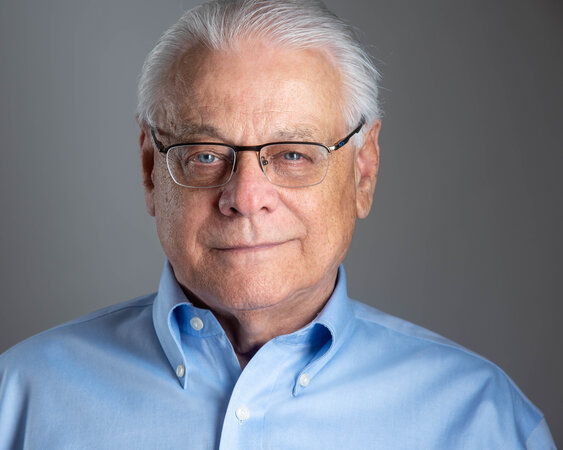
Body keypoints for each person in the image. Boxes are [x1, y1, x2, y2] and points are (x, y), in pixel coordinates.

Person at [0, 0, 556, 448]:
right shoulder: (18, 402)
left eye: (293, 154)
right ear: (151, 170)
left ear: (363, 172)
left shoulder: (483, 421)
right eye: (205, 154)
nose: (245, 199)